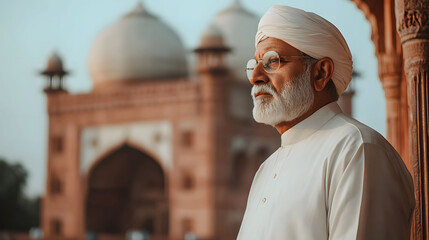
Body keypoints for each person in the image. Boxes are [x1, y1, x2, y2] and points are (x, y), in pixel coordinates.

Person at [237, 5, 415, 240]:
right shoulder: (266, 169)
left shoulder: (356, 150)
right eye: (255, 64)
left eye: (272, 61)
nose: (255, 76)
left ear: (320, 73)